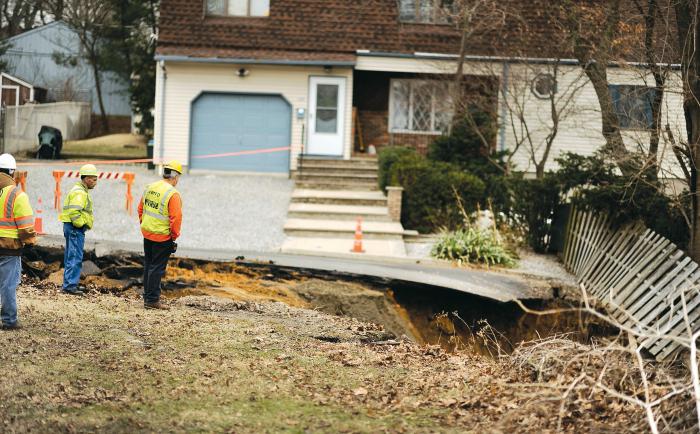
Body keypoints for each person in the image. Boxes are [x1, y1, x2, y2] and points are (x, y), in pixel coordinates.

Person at [138, 161, 183, 310]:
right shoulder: (173, 194)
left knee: (149, 266)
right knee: (157, 268)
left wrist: (145, 225)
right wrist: (174, 237)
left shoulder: (150, 187)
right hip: (162, 237)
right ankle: (152, 300)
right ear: (175, 177)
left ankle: (148, 295)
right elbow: (175, 219)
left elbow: (140, 209)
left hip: (147, 233)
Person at [0, 153, 36, 329]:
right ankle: (9, 321)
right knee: (8, 285)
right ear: (12, 172)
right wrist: (30, 242)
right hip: (9, 248)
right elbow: (25, 225)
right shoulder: (17, 195)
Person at [59, 164, 98, 295]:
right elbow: (74, 212)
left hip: (72, 227)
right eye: (93, 179)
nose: (95, 182)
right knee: (75, 256)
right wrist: (81, 224)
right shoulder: (80, 192)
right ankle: (70, 286)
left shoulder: (79, 190)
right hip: (75, 228)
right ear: (86, 179)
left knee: (71, 255)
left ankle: (70, 283)